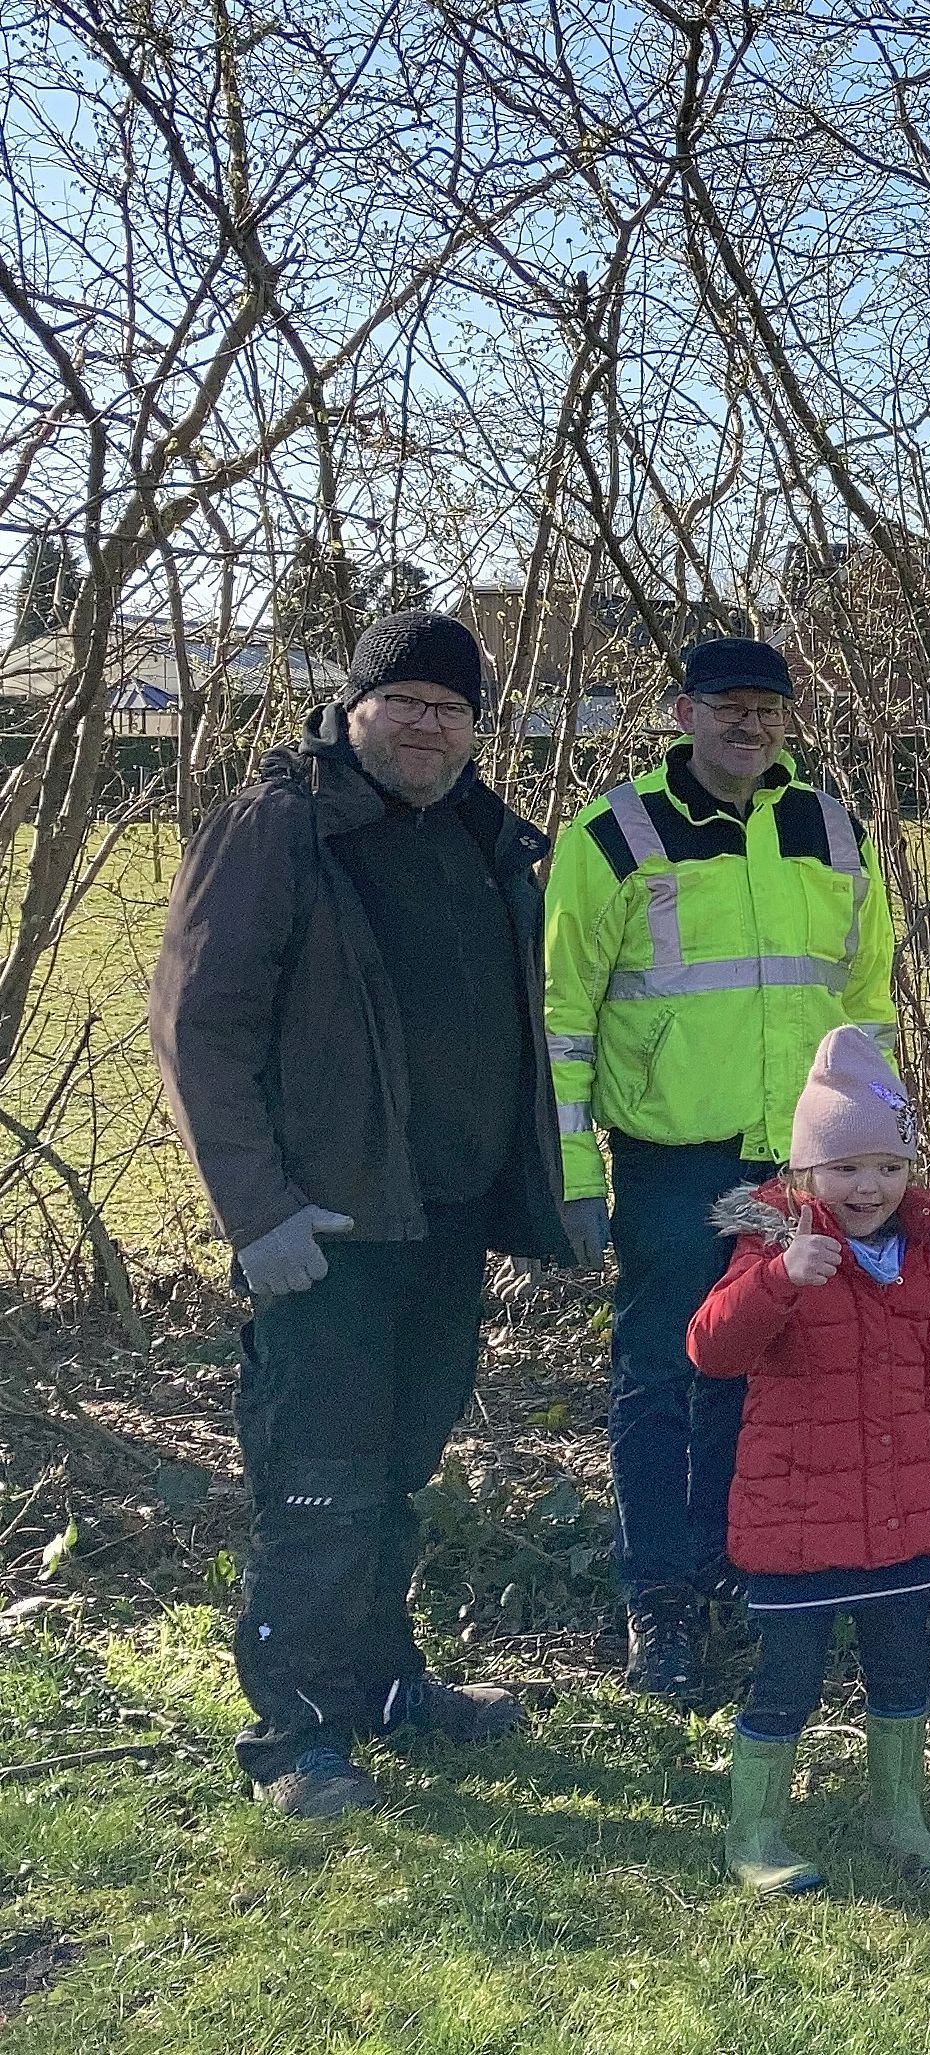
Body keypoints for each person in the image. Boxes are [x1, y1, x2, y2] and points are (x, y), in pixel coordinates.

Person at [149, 609, 570, 1817]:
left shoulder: (482, 840)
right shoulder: (279, 829)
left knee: (397, 1472)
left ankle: (385, 1687)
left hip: (440, 1219)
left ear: (478, 728)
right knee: (320, 1479)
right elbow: (200, 1028)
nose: (428, 726)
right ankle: (298, 1740)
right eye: (406, 704)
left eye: (451, 709)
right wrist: (255, 1212)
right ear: (354, 709)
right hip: (322, 1230)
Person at [545, 635, 899, 1702]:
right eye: (726, 706)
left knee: (777, 1373)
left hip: (800, 1163)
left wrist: (876, 1149)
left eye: (768, 709)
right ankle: (661, 1599)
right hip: (675, 1157)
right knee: (663, 1376)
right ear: (682, 711)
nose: (748, 725)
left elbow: (868, 1000)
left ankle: (753, 1576)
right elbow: (562, 1017)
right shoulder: (614, 835)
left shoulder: (832, 829)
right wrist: (572, 1173)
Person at [689, 1027, 930, 1893]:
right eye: (847, 1166)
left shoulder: (923, 1258)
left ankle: (899, 1812)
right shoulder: (772, 1248)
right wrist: (780, 1277)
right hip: (797, 1517)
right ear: (807, 1171)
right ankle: (755, 1834)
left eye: (887, 1166)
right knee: (788, 1678)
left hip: (897, 1509)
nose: (869, 1186)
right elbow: (711, 1350)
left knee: (903, 1667)